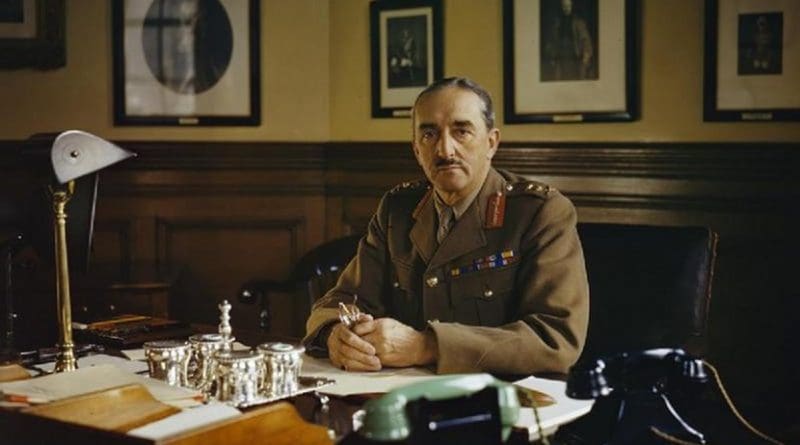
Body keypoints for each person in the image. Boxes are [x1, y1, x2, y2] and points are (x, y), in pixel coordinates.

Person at [304, 77, 589, 375]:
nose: (445, 150)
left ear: (491, 143)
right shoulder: (397, 210)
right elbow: (342, 300)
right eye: (429, 134)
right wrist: (335, 333)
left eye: (461, 131)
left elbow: (556, 339)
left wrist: (426, 346)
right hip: (403, 396)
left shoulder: (539, 212)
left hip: (504, 402)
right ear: (416, 149)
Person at [542, 0, 595, 81]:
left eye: (568, 6)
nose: (566, 8)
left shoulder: (578, 22)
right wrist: (551, 56)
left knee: (577, 79)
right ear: (561, 7)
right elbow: (552, 40)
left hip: (575, 56)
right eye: (564, 6)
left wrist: (586, 55)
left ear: (571, 7)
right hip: (561, 56)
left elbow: (585, 40)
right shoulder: (557, 22)